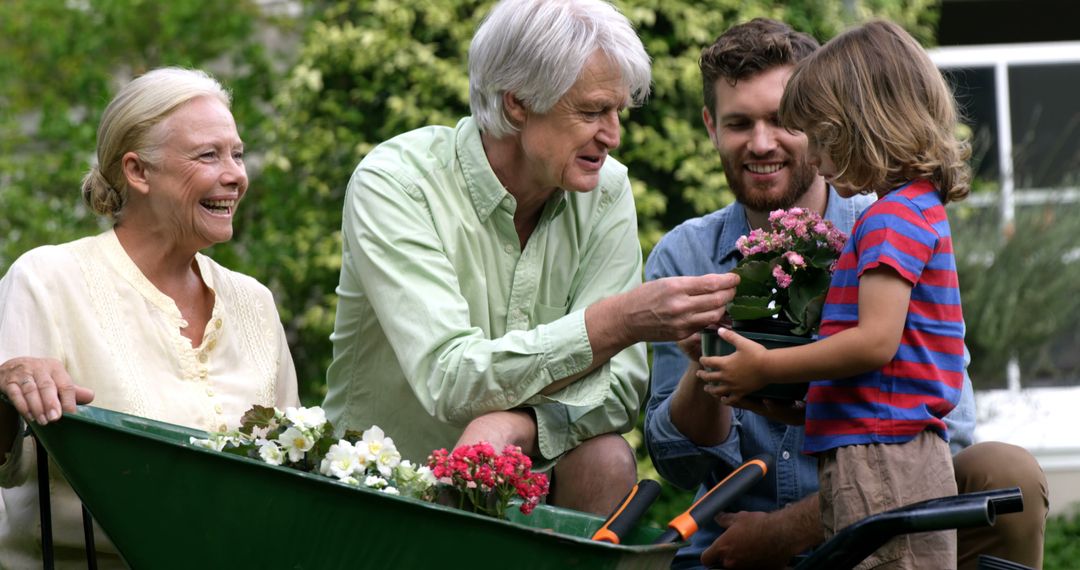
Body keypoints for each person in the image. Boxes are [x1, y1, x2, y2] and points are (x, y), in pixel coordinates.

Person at [644, 18, 1048, 570]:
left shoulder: (882, 227)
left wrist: (789, 528)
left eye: (786, 121)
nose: (762, 143)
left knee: (1007, 473)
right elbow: (678, 465)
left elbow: (939, 422)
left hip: (877, 501)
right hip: (731, 549)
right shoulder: (683, 258)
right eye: (740, 123)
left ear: (838, 124)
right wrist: (709, 369)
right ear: (712, 126)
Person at [321, 0, 735, 517]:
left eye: (617, 112)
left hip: (525, 501)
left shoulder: (606, 189)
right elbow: (449, 379)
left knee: (606, 457)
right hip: (385, 497)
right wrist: (617, 322)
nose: (613, 135)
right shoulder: (397, 183)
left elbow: (621, 388)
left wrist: (519, 427)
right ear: (517, 103)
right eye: (591, 112)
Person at [0, 67, 299, 568]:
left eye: (237, 153)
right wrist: (6, 392)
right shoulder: (48, 278)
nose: (236, 175)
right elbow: (10, 466)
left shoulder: (253, 302)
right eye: (209, 155)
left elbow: (295, 470)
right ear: (137, 172)